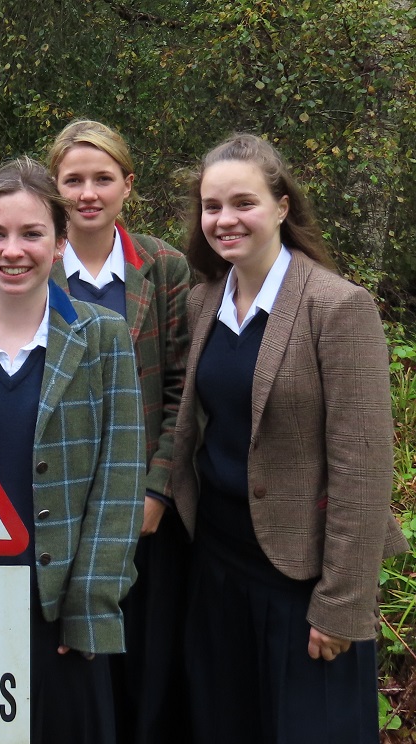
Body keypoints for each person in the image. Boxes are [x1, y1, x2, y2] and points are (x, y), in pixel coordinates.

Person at [171, 133, 409, 744]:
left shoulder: (336, 307)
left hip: (301, 581)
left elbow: (364, 466)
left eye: (243, 203)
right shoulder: (203, 303)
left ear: (281, 206)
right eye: (212, 205)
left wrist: (342, 603)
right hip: (217, 566)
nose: (225, 220)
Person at [0, 157, 145, 744]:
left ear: (60, 244)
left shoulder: (101, 336)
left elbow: (119, 478)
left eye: (32, 233)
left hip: (56, 604)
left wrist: (90, 603)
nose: (12, 250)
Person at [46, 119, 191, 744]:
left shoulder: (162, 267)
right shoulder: (33, 262)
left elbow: (184, 386)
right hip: (64, 493)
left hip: (141, 505)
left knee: (143, 658)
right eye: (73, 180)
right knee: (74, 654)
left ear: (126, 185)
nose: (87, 193)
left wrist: (157, 489)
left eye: (102, 178)